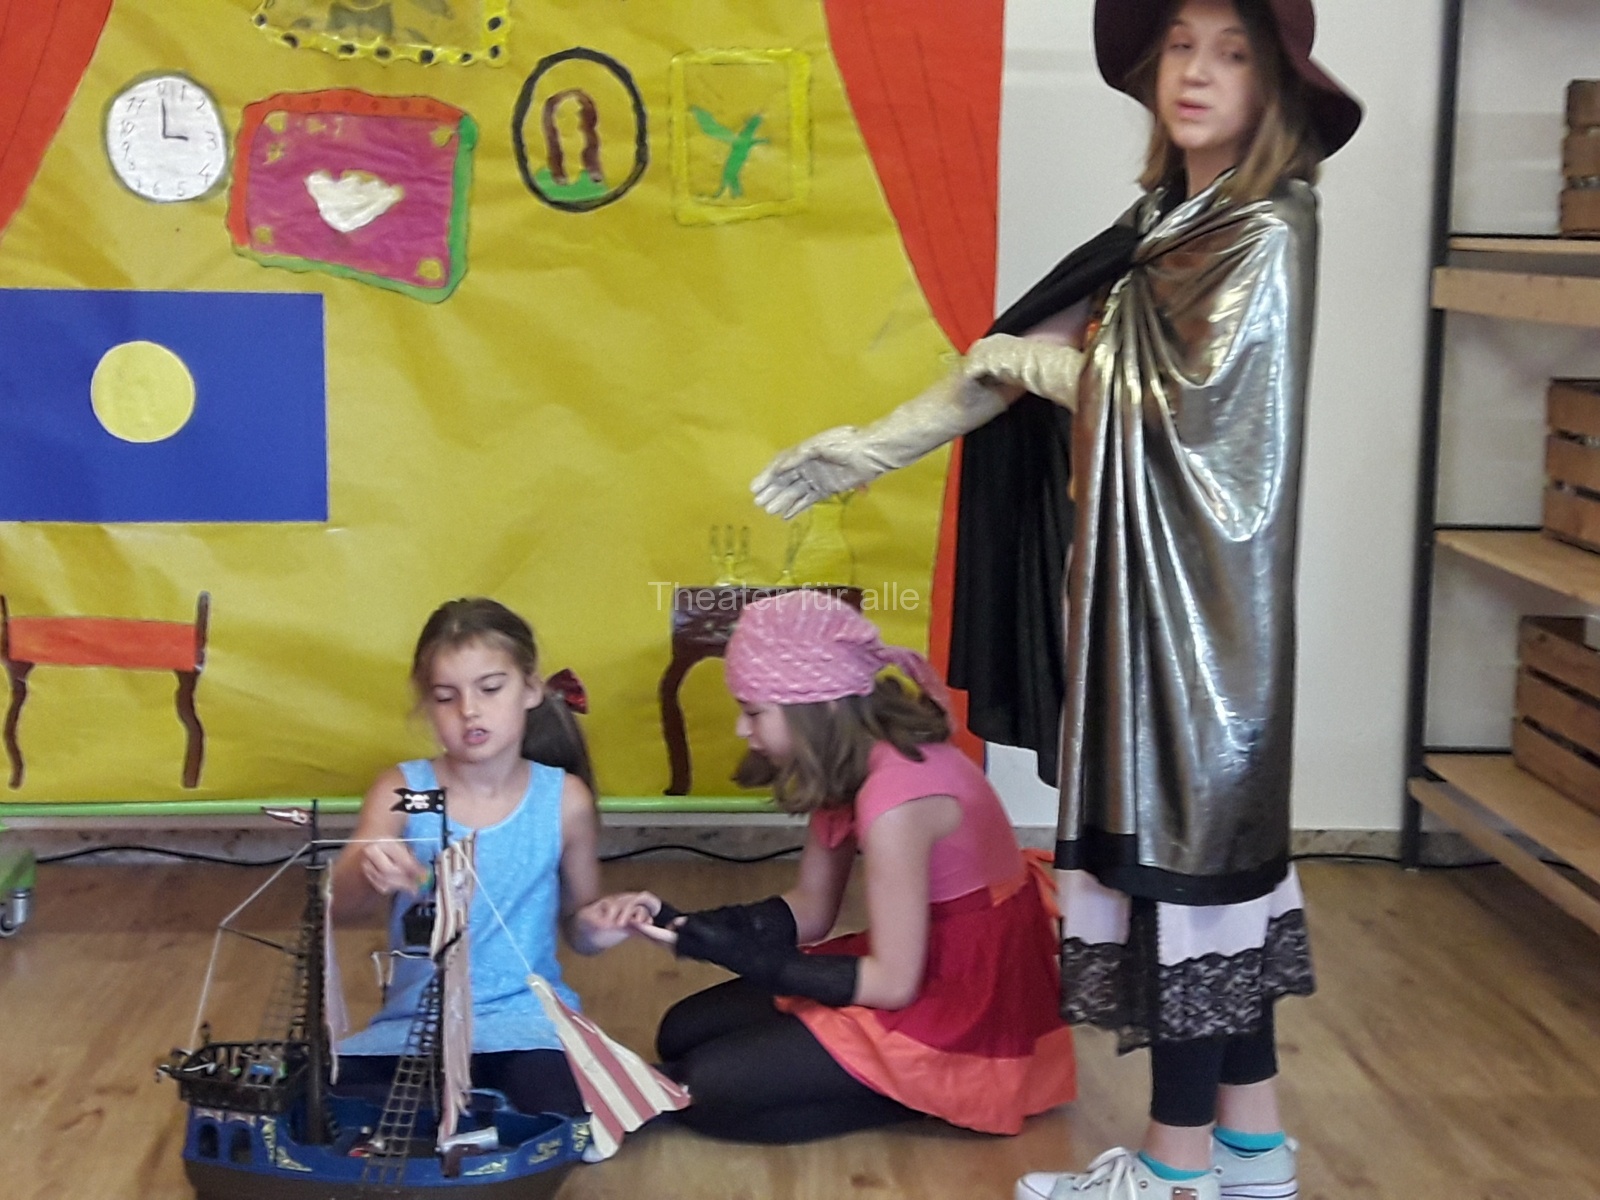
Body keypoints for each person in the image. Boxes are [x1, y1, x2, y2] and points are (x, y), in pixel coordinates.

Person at [751, 1, 1362, 1196]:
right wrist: (872, 446)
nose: (1196, 72)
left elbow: (1182, 410)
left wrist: (1040, 367)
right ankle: (1251, 1154)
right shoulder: (1162, 223)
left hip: (1198, 636)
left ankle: (1174, 1174)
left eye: (1233, 53)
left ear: (1276, 88)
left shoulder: (1262, 229)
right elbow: (1012, 351)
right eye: (1180, 45)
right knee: (1212, 895)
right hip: (1141, 610)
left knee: (1186, 888)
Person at [630, 589, 1076, 1143]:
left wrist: (739, 953)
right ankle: (882, 1084)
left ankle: (939, 1089)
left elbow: (892, 985)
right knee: (680, 1033)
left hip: (966, 993)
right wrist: (691, 926)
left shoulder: (897, 801)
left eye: (754, 711)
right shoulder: (848, 761)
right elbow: (811, 910)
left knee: (704, 1086)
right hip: (919, 956)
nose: (743, 730)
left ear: (819, 708)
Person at [330, 597, 648, 1119]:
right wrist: (369, 866)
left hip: (527, 1023)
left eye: (490, 688)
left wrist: (603, 924)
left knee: (561, 1109)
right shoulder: (407, 790)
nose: (469, 711)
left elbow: (579, 926)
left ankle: (468, 1116)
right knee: (330, 1102)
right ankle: (468, 1115)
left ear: (530, 689)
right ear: (427, 705)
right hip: (418, 1027)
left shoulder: (562, 800)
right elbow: (339, 907)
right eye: (445, 697)